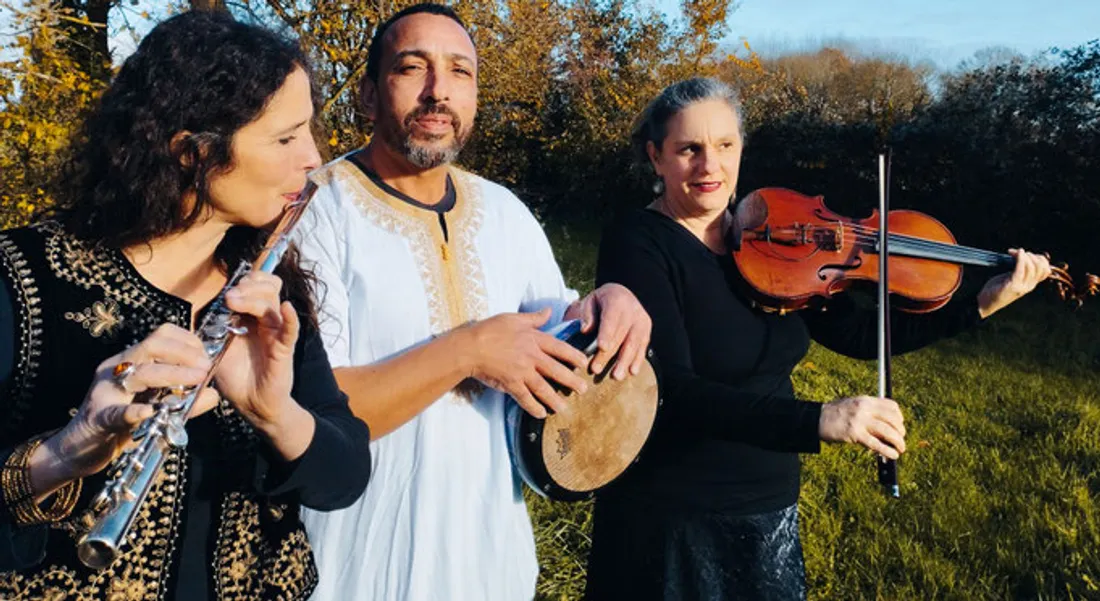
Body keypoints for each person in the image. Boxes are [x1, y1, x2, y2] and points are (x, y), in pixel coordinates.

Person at [584, 77, 1053, 601]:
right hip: (675, 510)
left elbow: (856, 334)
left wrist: (984, 303)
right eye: (688, 149)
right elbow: (671, 391)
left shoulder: (775, 239)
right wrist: (819, 419)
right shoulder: (638, 242)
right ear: (656, 156)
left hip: (768, 499)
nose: (709, 166)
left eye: (724, 145)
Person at [0, 11, 372, 600]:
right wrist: (68, 450)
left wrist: (277, 414)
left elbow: (344, 478)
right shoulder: (24, 276)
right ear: (190, 152)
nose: (312, 157)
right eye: (285, 137)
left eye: (310, 129)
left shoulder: (269, 287)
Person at [293, 4, 651, 600]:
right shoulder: (316, 211)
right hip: (354, 568)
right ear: (368, 95)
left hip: (490, 563)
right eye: (413, 68)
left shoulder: (505, 212)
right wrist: (465, 352)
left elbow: (561, 328)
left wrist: (609, 300)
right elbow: (313, 414)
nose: (439, 92)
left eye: (461, 72)